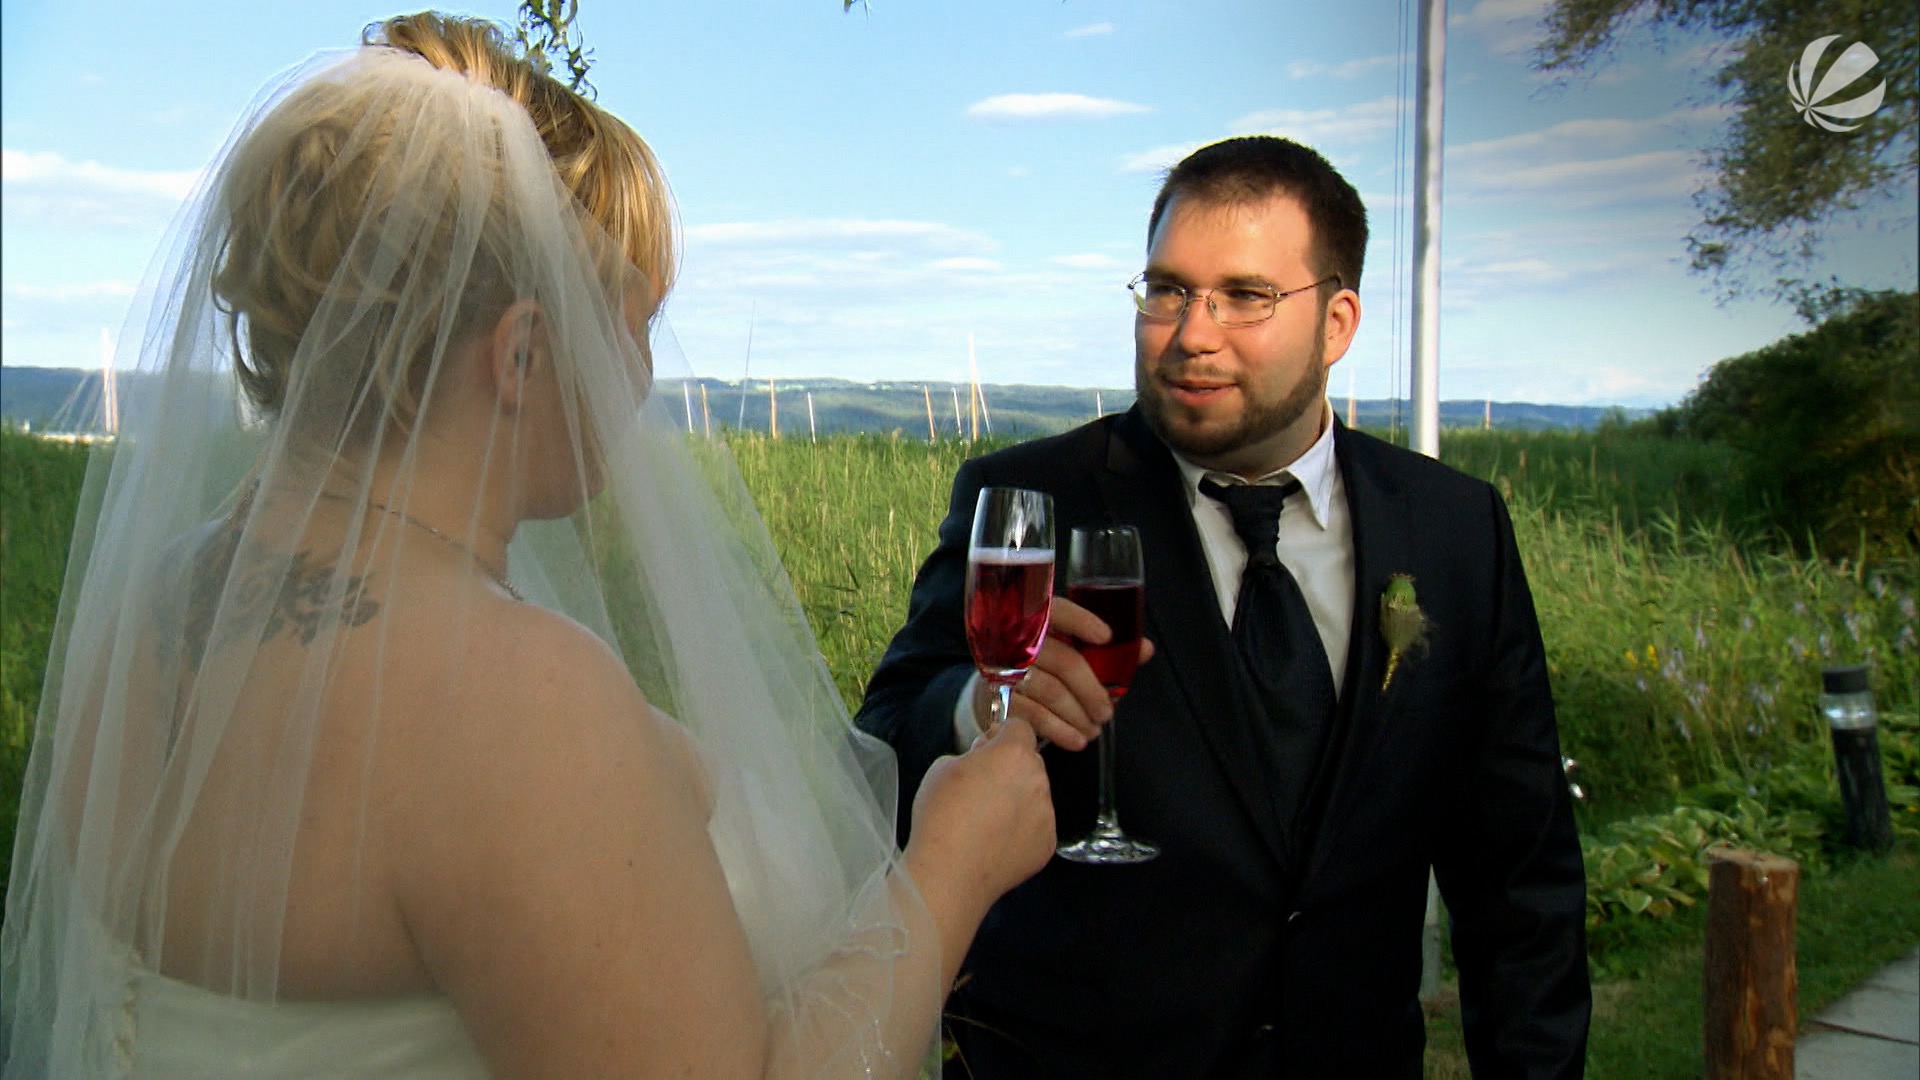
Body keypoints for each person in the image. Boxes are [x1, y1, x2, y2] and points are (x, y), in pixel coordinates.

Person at [0, 13, 1055, 1078]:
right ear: (521, 351)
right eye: (635, 325)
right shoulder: (511, 693)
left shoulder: (152, 606)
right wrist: (953, 866)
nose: (640, 377)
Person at [856, 136, 1591, 1078]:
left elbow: (1518, 881)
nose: (1191, 333)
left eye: (1244, 297)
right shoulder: (1031, 498)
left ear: (1337, 321)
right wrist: (979, 704)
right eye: (1166, 290)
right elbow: (879, 749)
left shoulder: (1455, 530)